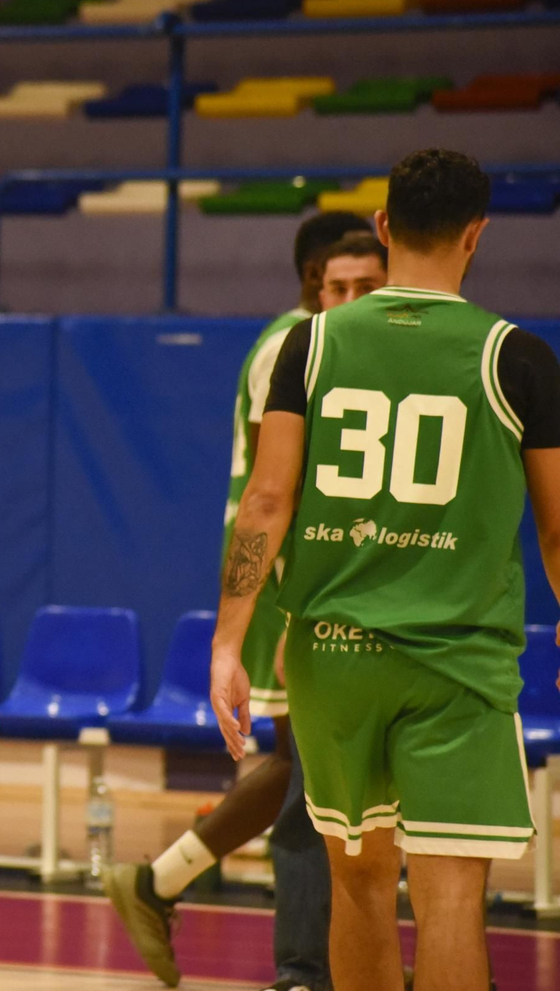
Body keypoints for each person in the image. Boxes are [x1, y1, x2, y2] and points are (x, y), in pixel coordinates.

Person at [211, 148, 560, 991]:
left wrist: (229, 643)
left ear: (384, 227)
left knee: (358, 888)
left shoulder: (310, 346)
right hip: (457, 666)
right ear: (476, 235)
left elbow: (264, 502)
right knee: (447, 904)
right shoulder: (517, 358)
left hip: (335, 658)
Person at [105, 216, 385, 991]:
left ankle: (159, 883)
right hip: (287, 579)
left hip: (325, 579)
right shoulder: (289, 350)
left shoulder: (348, 347)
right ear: (312, 285)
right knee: (309, 776)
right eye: (341, 286)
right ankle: (302, 967)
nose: (356, 299)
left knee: (303, 767)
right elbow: (276, 485)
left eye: (370, 286)